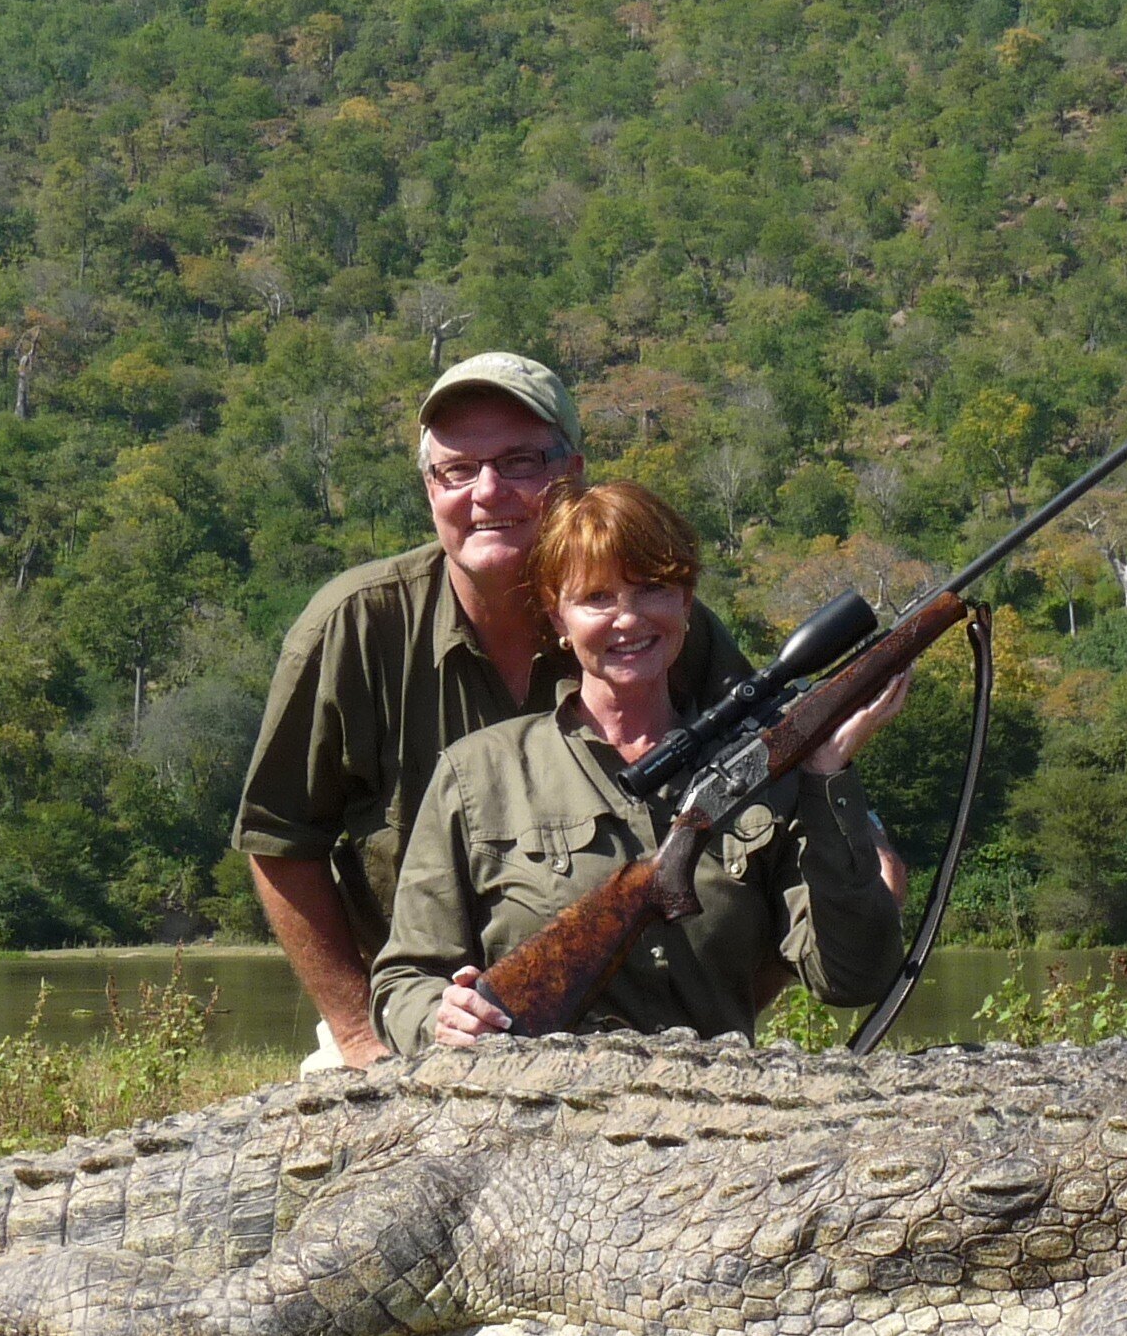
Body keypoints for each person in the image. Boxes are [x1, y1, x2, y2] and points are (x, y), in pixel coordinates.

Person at [232, 352, 752, 1067]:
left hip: (643, 1038)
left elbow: (770, 807)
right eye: (456, 470)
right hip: (410, 1023)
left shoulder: (655, 633)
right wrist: (360, 1037)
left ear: (571, 476)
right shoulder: (352, 629)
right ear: (429, 487)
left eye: (519, 463)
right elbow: (278, 842)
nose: (487, 492)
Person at [372, 482, 910, 1054]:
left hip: (716, 1116)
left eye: (652, 589)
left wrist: (829, 774)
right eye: (598, 598)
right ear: (558, 614)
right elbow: (401, 983)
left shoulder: (769, 779)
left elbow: (855, 977)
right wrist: (442, 1017)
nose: (627, 619)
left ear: (686, 600)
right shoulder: (477, 774)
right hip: (532, 1116)